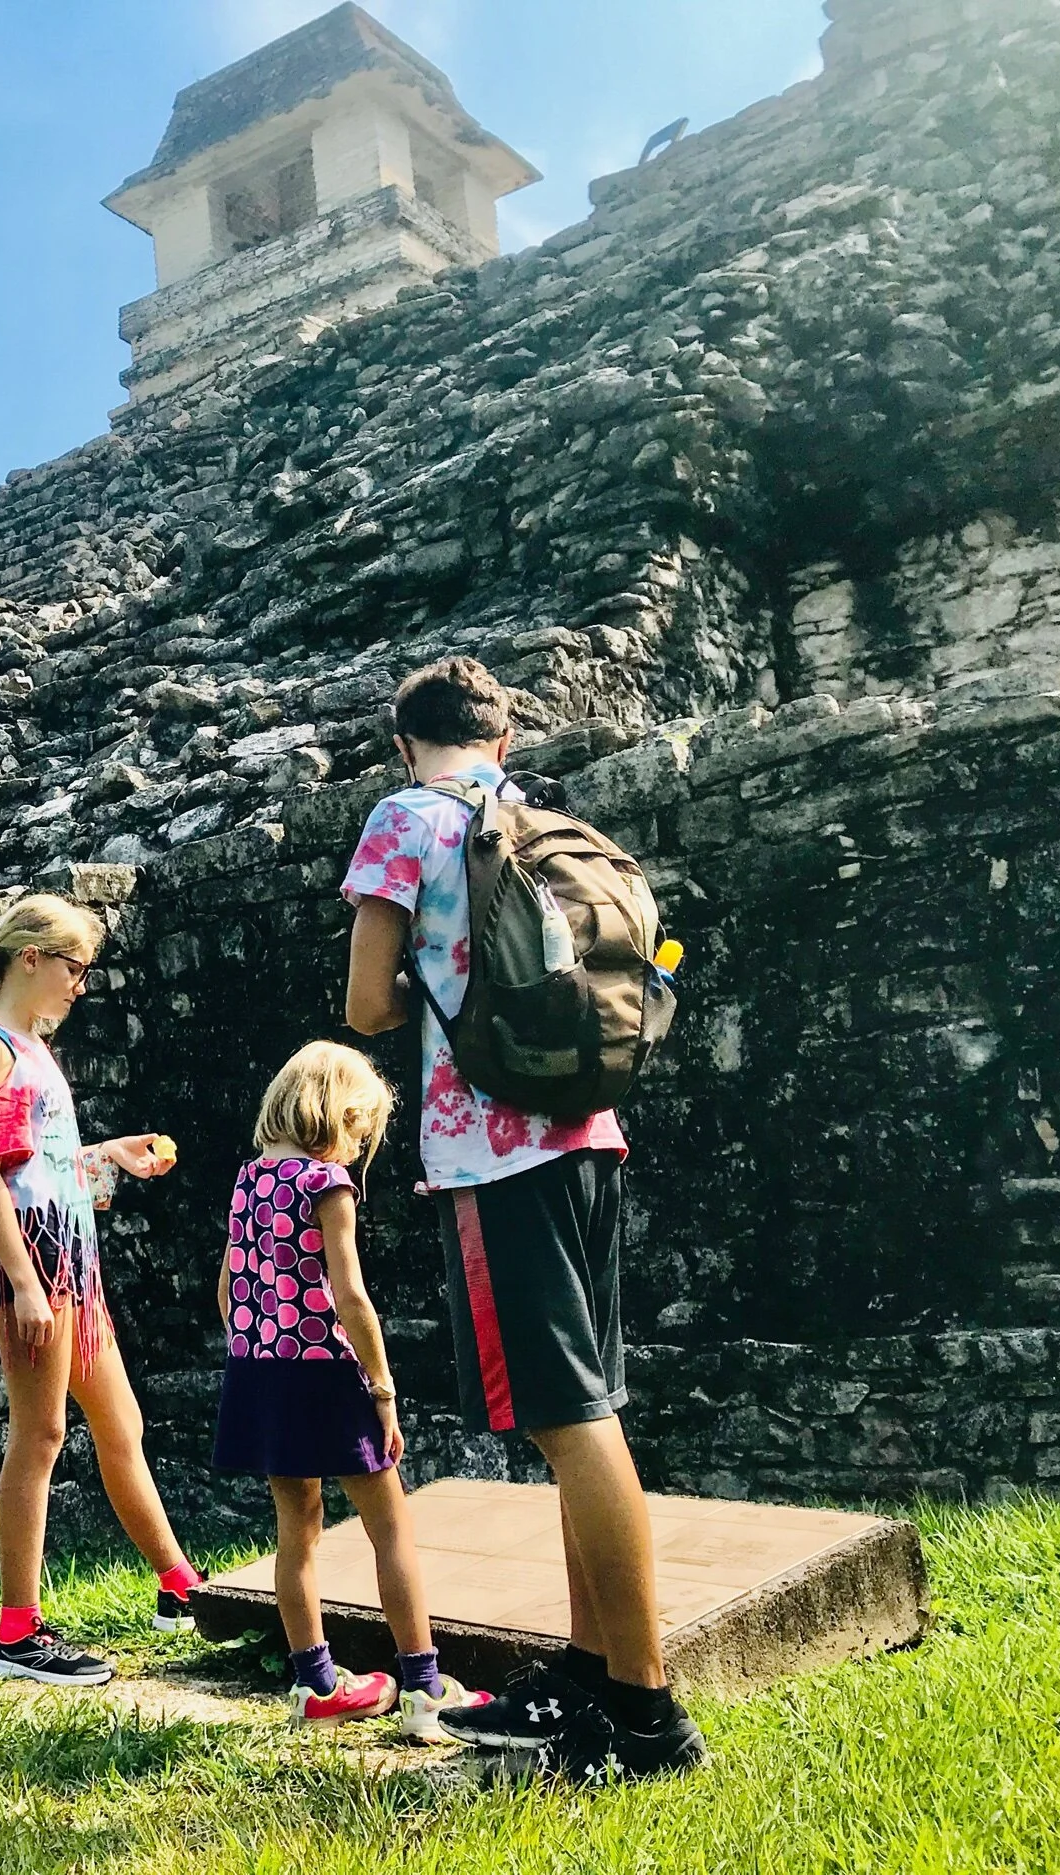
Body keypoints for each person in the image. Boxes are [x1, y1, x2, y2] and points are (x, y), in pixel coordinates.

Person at [342, 656, 707, 1780]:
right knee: (586, 1409)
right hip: (588, 1133)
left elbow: (363, 1005)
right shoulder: (537, 819)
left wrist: (422, 982)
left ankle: (648, 1714)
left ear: (406, 743)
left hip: (494, 1154)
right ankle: (594, 1671)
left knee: (568, 1422)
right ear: (502, 739)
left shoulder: (404, 819)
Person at [0, 892, 203, 1687]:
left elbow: (41, 1162)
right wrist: (23, 1285)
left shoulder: (29, 1043)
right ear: (31, 957)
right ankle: (17, 1633)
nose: (80, 984)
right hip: (31, 1262)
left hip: (68, 1260)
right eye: (74, 966)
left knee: (119, 1419)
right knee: (42, 1436)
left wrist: (110, 1155)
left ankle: (178, 1585)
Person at [214, 1040, 496, 1740]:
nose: (357, 1147)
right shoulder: (325, 1184)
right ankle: (426, 1688)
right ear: (336, 1112)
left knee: (296, 1532)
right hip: (328, 1376)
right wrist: (383, 1386)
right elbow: (352, 1297)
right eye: (360, 1130)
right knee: (391, 1528)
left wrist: (262, 1344)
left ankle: (316, 1683)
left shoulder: (250, 1179)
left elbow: (227, 1290)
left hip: (263, 1372)